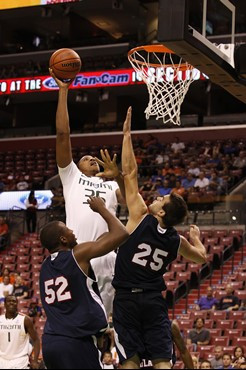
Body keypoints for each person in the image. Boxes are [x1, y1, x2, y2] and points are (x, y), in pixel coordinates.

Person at [107, 107, 206, 369]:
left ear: (161, 211)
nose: (156, 196)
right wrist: (196, 237)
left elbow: (129, 172)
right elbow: (202, 258)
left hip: (127, 299)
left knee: (130, 360)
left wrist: (126, 134)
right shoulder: (176, 241)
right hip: (153, 301)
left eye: (161, 198)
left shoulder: (140, 215)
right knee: (162, 361)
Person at [49, 68, 125, 317]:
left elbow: (135, 205)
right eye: (85, 157)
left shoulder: (111, 184)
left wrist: (120, 178)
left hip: (108, 258)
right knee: (80, 321)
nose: (92, 157)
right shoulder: (71, 177)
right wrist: (63, 91)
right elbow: (62, 135)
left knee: (108, 325)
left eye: (94, 157)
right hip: (79, 255)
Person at [39, 196, 128, 369]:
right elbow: (122, 233)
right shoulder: (77, 254)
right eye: (68, 230)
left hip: (51, 342)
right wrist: (102, 209)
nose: (72, 231)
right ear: (63, 240)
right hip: (75, 342)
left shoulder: (44, 266)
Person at [0, 295, 40, 369]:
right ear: (5, 304)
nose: (11, 303)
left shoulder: (25, 320)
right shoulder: (0, 320)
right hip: (2, 360)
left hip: (20, 361)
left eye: (14, 301)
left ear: (17, 304)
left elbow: (36, 340)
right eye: (9, 301)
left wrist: (35, 361)